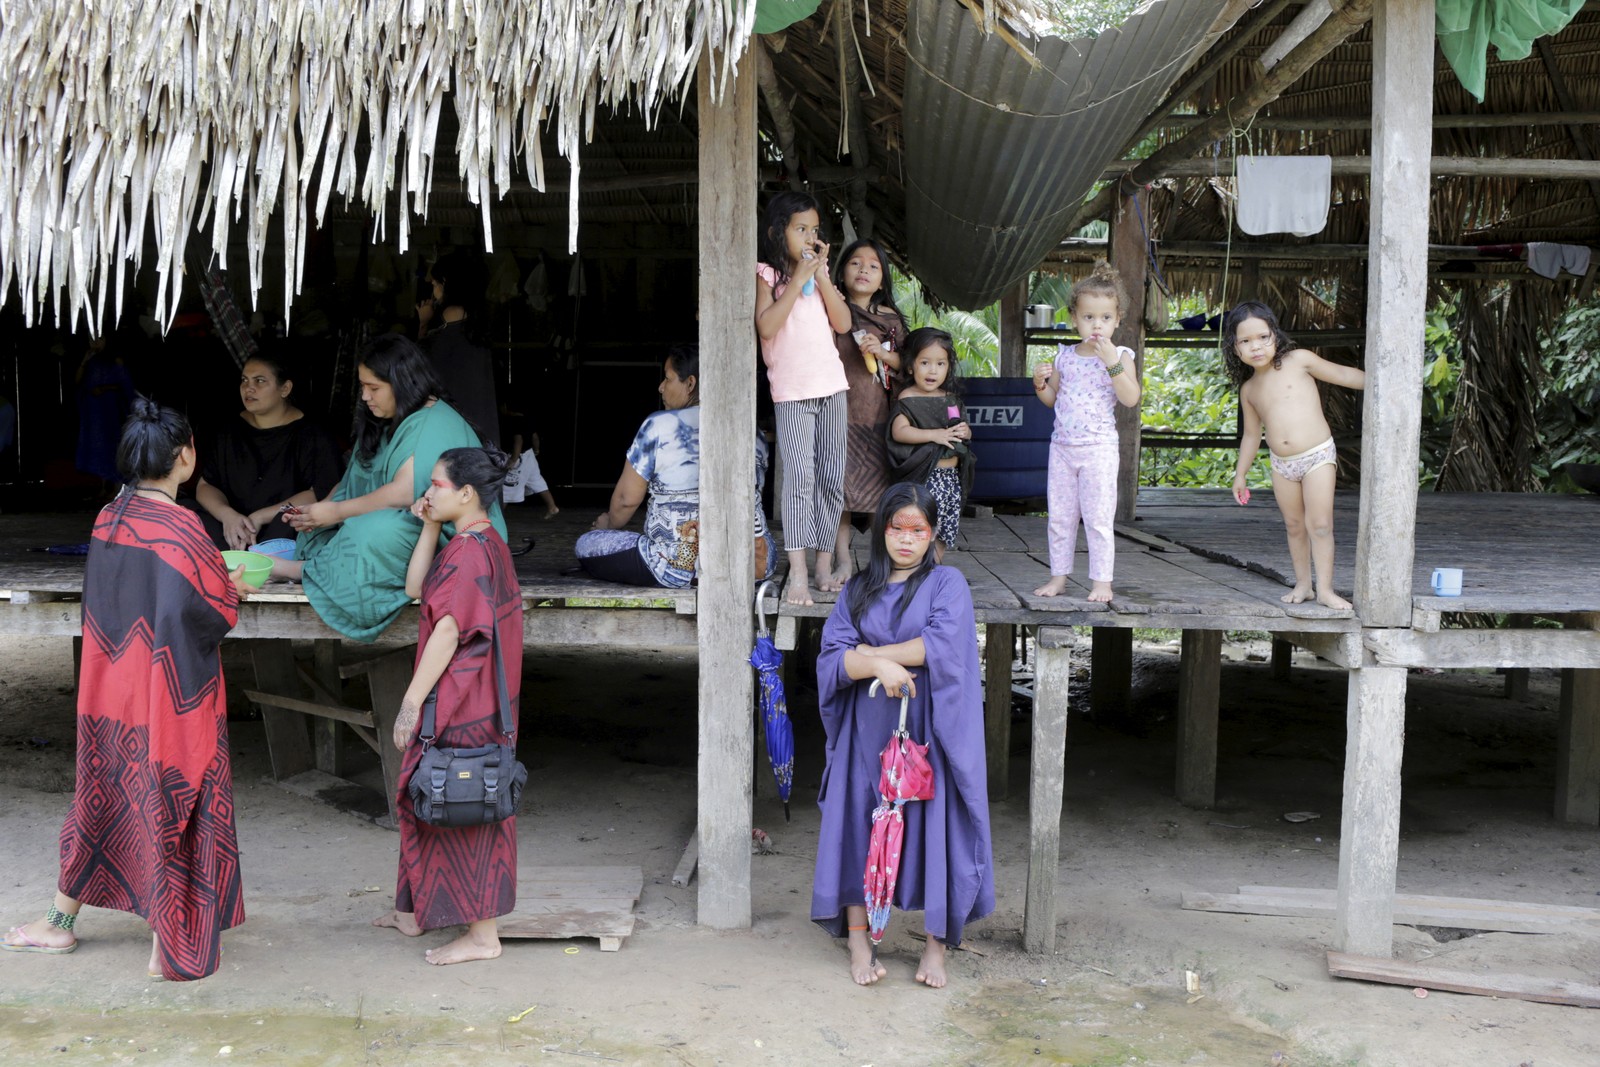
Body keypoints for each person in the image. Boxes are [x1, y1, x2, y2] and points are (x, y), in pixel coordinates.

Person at [3, 399, 253, 980]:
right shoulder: (183, 525)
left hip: (108, 694)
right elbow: (211, 611)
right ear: (185, 456)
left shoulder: (108, 518)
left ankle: (58, 925)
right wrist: (232, 583)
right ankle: (170, 941)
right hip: (171, 697)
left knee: (102, 796)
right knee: (173, 801)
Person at [811, 483, 994, 988]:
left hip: (928, 729)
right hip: (864, 730)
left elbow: (943, 645)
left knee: (936, 827)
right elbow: (833, 659)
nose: (906, 540)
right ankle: (857, 940)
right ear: (882, 531)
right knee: (854, 821)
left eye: (918, 530)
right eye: (897, 528)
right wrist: (877, 664)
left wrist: (875, 657)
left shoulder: (947, 584)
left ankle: (935, 947)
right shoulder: (856, 588)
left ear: (933, 534)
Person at [373, 446, 524, 966]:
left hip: (465, 704)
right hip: (479, 700)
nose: (426, 493)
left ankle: (484, 937)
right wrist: (430, 525)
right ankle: (413, 913)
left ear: (466, 493)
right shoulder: (479, 542)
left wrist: (410, 705)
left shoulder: (470, 553)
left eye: (436, 485)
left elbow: (450, 630)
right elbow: (418, 589)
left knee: (462, 806)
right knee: (425, 797)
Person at [278, 334, 505, 641]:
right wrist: (319, 512)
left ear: (402, 383)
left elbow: (402, 492)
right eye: (362, 386)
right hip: (411, 519)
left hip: (450, 537)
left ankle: (300, 571)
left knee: (371, 533)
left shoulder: (429, 421)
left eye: (374, 388)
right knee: (335, 528)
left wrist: (335, 512)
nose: (364, 396)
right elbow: (353, 482)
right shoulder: (386, 419)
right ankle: (316, 567)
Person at [576, 346, 778, 587]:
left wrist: (607, 526)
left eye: (668, 378)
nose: (661, 386)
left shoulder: (658, 426)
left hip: (675, 565)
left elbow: (625, 500)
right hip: (751, 564)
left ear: (690, 383)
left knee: (585, 544)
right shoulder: (752, 430)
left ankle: (687, 567)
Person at [1225, 300, 1366, 610]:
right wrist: (1240, 473)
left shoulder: (1299, 360)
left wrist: (1381, 380)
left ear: (1275, 335)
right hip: (1282, 465)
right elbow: (1251, 435)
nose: (1256, 346)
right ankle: (1304, 584)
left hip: (1317, 456)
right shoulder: (1248, 390)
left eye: (1263, 337)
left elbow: (1343, 374)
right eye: (1245, 341)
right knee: (1293, 525)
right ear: (1235, 349)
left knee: (1319, 524)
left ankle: (1326, 589)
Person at [755, 190, 854, 606]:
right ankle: (797, 571)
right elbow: (766, 327)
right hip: (792, 393)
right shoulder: (768, 275)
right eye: (801, 229)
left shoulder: (820, 274)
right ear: (779, 233)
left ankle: (822, 562)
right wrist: (796, 279)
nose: (809, 237)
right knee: (799, 482)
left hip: (832, 387)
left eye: (814, 230)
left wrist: (823, 275)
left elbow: (844, 322)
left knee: (831, 480)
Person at [1031, 261, 1142, 602]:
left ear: (1118, 319)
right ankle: (1059, 577)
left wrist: (1110, 362)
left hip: (1099, 449)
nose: (1097, 325)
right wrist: (1039, 385)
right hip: (1063, 447)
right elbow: (1053, 400)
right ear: (1074, 318)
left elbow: (1130, 397)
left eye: (1105, 318)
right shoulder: (1065, 356)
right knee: (1060, 518)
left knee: (1097, 518)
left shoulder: (1121, 355)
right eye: (1089, 317)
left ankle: (1101, 583)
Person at [193, 352, 343, 551]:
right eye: (244, 380)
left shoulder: (312, 435)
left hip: (280, 529)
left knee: (292, 522)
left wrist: (261, 517)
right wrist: (228, 515)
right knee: (187, 513)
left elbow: (321, 492)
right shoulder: (228, 430)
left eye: (260, 381)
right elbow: (205, 486)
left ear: (285, 388)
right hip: (232, 527)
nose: (249, 388)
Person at [829, 238, 906, 585]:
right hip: (836, 416)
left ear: (882, 279)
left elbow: (910, 364)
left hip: (877, 419)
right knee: (840, 494)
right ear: (842, 270)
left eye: (873, 266)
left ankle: (880, 563)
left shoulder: (890, 320)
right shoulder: (829, 309)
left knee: (879, 495)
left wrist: (884, 352)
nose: (864, 270)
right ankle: (843, 562)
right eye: (856, 263)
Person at [887, 328, 973, 560]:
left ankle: (934, 569)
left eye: (940, 364)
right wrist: (934, 434)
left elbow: (960, 426)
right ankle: (916, 569)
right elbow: (900, 431)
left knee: (944, 528)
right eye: (925, 362)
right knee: (920, 526)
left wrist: (966, 430)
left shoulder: (950, 400)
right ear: (910, 366)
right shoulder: (908, 398)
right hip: (925, 478)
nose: (933, 370)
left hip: (950, 479)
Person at [417, 249, 498, 445]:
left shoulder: (452, 314)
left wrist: (423, 323)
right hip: (477, 410)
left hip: (454, 411)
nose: (433, 291)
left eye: (435, 284)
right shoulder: (477, 315)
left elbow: (421, 361)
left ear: (445, 282)